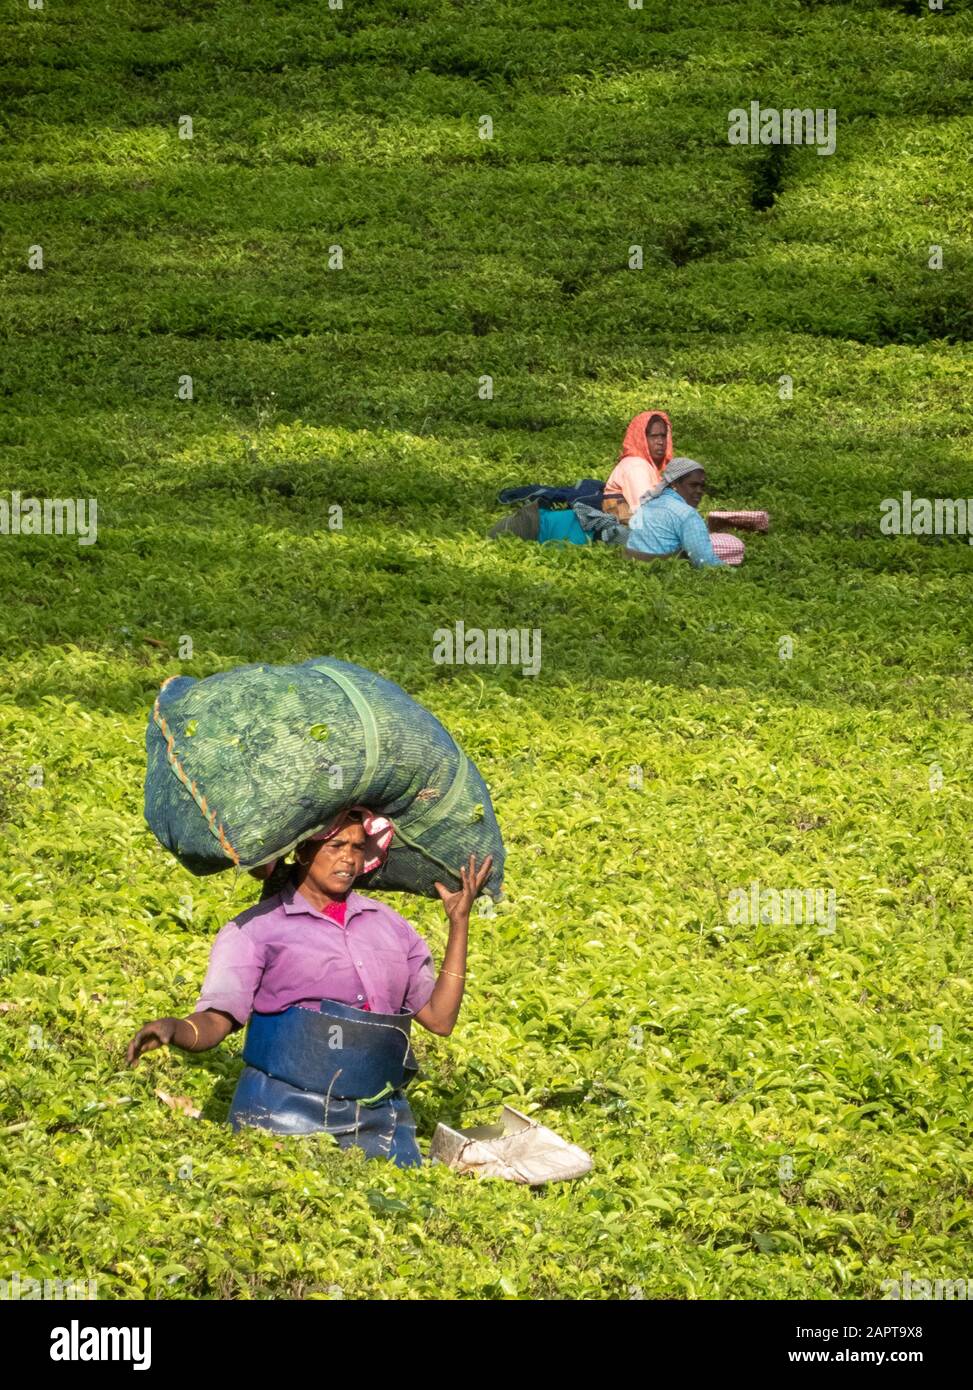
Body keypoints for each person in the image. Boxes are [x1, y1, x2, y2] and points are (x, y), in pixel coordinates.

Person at [127, 807, 493, 1169]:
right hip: (282, 1118)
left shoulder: (391, 927)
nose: (348, 859)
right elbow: (218, 1019)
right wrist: (175, 1029)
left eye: (357, 847)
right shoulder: (256, 931)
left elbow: (440, 1019)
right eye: (335, 846)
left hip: (381, 1123)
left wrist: (459, 923)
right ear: (302, 851)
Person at [625, 457, 745, 567]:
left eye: (702, 486)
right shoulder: (687, 514)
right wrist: (730, 571)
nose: (699, 491)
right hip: (660, 568)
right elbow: (704, 562)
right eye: (693, 485)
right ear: (674, 484)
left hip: (632, 564)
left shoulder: (649, 503)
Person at [603, 410, 674, 519]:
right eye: (654, 436)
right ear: (641, 439)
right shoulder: (636, 467)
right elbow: (647, 511)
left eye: (663, 436)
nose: (660, 442)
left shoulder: (647, 466)